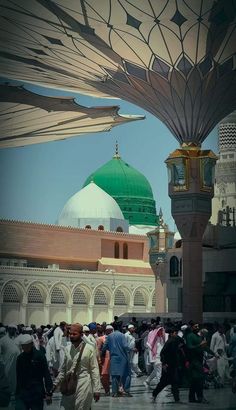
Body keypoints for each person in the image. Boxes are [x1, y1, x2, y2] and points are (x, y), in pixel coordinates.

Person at [53, 323, 100, 410]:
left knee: (80, 407)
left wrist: (97, 389)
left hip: (84, 384)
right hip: (69, 384)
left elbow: (94, 369)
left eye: (74, 334)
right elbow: (64, 370)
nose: (71, 336)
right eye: (70, 334)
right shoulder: (67, 349)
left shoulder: (89, 348)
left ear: (81, 335)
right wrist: (55, 384)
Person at [15, 334, 53, 410]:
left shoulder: (40, 356)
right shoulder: (20, 358)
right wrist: (17, 393)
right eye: (23, 346)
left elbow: (46, 374)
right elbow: (19, 377)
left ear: (31, 344)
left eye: (26, 345)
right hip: (23, 393)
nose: (24, 348)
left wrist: (48, 392)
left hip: (36, 394)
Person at [152, 327, 184, 403]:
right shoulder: (169, 342)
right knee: (163, 382)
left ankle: (177, 399)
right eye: (175, 333)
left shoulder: (175, 341)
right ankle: (154, 394)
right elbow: (162, 353)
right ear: (172, 334)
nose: (176, 335)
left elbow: (182, 342)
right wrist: (164, 363)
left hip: (173, 365)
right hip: (168, 366)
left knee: (175, 382)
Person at [102, 322, 132, 397]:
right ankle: (126, 391)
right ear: (121, 327)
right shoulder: (122, 335)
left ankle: (115, 392)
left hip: (114, 358)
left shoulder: (109, 336)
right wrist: (131, 349)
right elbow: (125, 346)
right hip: (123, 358)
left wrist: (111, 349)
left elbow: (105, 347)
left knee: (115, 376)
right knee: (126, 375)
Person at [186, 322, 209, 403]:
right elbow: (189, 347)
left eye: (198, 326)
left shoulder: (199, 337)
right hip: (193, 362)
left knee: (195, 380)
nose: (197, 327)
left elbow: (205, 347)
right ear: (192, 327)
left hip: (199, 361)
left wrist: (214, 354)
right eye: (195, 326)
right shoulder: (190, 336)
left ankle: (191, 398)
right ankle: (200, 397)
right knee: (199, 379)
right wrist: (199, 345)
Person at [0, 326, 20, 395]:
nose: (13, 331)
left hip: (16, 362)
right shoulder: (3, 340)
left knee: (15, 377)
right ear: (8, 330)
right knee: (7, 376)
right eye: (12, 329)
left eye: (14, 329)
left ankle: (13, 392)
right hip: (7, 362)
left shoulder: (15, 338)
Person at [97, 325, 113, 395]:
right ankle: (107, 390)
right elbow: (98, 349)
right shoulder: (101, 339)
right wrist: (99, 359)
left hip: (113, 358)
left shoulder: (114, 338)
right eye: (108, 330)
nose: (110, 331)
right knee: (104, 375)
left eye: (111, 330)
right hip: (104, 359)